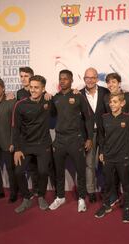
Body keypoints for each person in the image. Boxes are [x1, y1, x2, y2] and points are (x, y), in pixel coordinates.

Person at [49, 69, 94, 212]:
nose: (62, 81)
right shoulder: (55, 98)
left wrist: (89, 138)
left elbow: (88, 118)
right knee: (59, 171)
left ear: (71, 80)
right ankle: (60, 197)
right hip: (60, 140)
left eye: (66, 79)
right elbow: (51, 114)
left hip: (75, 139)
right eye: (60, 78)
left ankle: (81, 198)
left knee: (80, 171)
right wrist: (47, 98)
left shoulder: (78, 96)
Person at [12, 75, 52, 213]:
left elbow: (64, 98)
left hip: (43, 144)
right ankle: (26, 198)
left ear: (43, 89)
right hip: (25, 145)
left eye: (37, 87)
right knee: (18, 172)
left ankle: (41, 196)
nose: (33, 90)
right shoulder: (20, 104)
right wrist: (17, 149)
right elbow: (15, 128)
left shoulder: (49, 101)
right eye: (31, 87)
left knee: (43, 171)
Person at [95, 92, 129, 222]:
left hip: (123, 157)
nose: (112, 104)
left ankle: (127, 208)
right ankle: (106, 206)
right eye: (110, 102)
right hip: (108, 157)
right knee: (108, 183)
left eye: (115, 102)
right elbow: (101, 136)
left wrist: (128, 153)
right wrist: (101, 152)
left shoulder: (128, 118)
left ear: (122, 103)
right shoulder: (104, 118)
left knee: (126, 184)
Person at [80, 67, 110, 203]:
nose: (90, 80)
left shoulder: (105, 92)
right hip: (89, 134)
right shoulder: (78, 94)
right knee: (89, 164)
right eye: (87, 77)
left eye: (93, 77)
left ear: (97, 79)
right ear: (84, 79)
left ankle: (106, 190)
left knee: (105, 163)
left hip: (105, 133)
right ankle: (91, 191)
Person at [16, 66, 39, 196]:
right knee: (26, 166)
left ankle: (36, 189)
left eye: (26, 76)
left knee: (36, 166)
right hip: (24, 136)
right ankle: (26, 191)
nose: (23, 78)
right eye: (21, 76)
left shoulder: (40, 91)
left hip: (38, 135)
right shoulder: (19, 93)